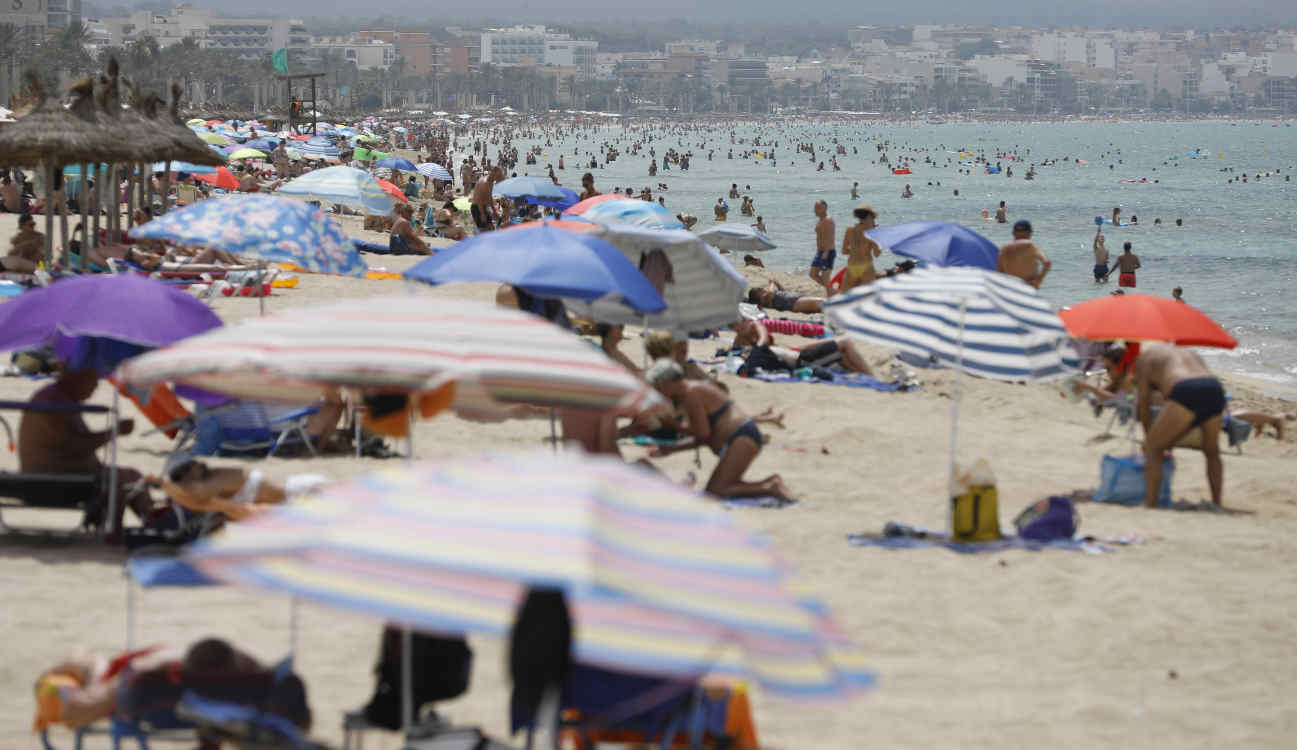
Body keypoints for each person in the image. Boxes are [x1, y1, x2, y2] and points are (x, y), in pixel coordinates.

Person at [17, 367, 153, 531]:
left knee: (131, 477)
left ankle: (151, 522)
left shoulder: (60, 398)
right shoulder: (54, 400)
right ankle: (117, 531)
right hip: (51, 481)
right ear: (77, 378)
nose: (96, 386)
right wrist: (113, 432)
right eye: (93, 379)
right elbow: (75, 445)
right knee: (121, 479)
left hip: (58, 476)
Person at [644, 360, 791, 501]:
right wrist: (670, 449)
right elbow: (705, 437)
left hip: (740, 437)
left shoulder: (690, 393)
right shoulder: (691, 390)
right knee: (721, 487)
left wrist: (673, 426)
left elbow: (703, 434)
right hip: (742, 435)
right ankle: (769, 484)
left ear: (667, 383)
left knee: (717, 490)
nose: (659, 392)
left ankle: (771, 486)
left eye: (658, 387)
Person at [1130, 343, 1226, 508]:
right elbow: (1189, 419)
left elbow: (1144, 403)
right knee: (1212, 451)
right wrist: (1169, 443)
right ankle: (1217, 503)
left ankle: (1151, 505)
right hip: (1214, 387)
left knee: (1152, 449)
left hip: (1185, 388)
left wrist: (1148, 438)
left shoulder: (1142, 360)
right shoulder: (1186, 352)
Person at [152, 454, 329, 522]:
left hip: (304, 490)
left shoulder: (216, 479)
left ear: (194, 466)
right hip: (291, 503)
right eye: (177, 477)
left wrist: (167, 485)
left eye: (181, 475)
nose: (182, 480)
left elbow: (198, 495)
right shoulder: (211, 486)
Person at [732, 319, 873, 375]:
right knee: (845, 342)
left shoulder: (751, 343)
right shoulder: (751, 348)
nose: (748, 323)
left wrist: (752, 331)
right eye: (743, 324)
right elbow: (761, 344)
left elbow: (765, 343)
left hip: (799, 354)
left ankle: (864, 374)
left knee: (841, 352)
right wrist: (759, 326)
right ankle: (870, 375)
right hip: (803, 361)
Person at [840, 203, 882, 292]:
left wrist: (855, 251)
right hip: (866, 266)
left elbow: (843, 251)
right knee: (868, 297)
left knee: (845, 296)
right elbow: (877, 254)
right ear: (869, 216)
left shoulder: (849, 230)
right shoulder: (872, 232)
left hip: (852, 266)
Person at [997, 220, 1051, 288]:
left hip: (1010, 287)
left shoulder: (1004, 248)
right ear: (1029, 233)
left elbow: (999, 272)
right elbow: (1047, 262)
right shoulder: (1030, 245)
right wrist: (1038, 280)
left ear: (1013, 233)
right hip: (1027, 286)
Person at [746, 279, 824, 314]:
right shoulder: (764, 299)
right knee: (823, 303)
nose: (763, 289)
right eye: (760, 289)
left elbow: (783, 292)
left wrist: (777, 284)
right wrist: (772, 282)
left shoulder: (769, 296)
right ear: (757, 295)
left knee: (823, 302)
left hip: (795, 299)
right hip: (794, 303)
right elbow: (770, 293)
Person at [808, 200, 836, 294]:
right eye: (815, 208)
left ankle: (832, 294)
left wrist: (826, 252)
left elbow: (830, 236)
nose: (815, 210)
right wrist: (818, 252)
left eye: (818, 208)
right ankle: (833, 291)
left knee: (825, 277)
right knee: (813, 274)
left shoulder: (828, 220)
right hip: (820, 252)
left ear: (824, 208)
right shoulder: (820, 220)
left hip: (827, 252)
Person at [471, 166, 503, 231]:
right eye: (499, 175)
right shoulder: (483, 183)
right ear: (493, 173)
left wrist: (494, 211)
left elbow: (490, 197)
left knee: (492, 229)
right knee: (484, 231)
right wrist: (482, 214)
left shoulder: (491, 182)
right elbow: (479, 200)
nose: (500, 178)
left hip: (484, 207)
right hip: (477, 208)